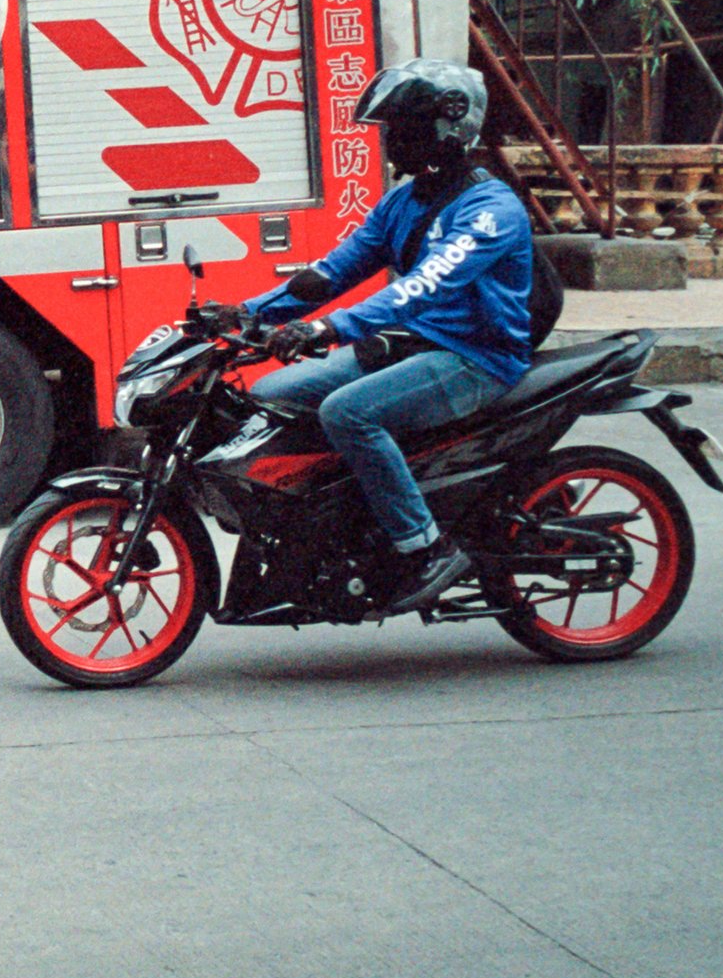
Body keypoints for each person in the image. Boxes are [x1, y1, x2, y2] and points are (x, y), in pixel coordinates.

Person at [205, 59, 533, 618]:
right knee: (272, 394)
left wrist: (328, 328)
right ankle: (345, 519)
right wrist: (248, 313)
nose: (389, 144)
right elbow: (332, 272)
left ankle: (424, 546)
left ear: (445, 129)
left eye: (401, 130)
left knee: (348, 413)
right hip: (415, 347)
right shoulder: (404, 201)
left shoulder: (490, 210)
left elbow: (424, 287)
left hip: (474, 359)